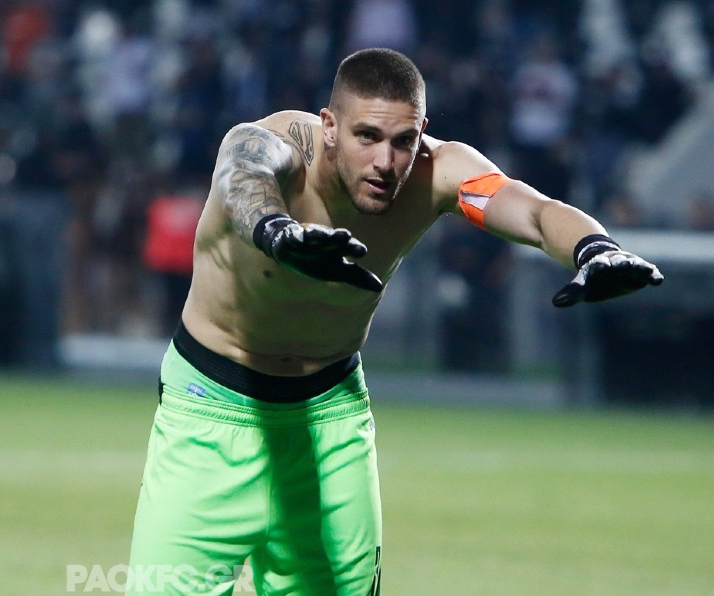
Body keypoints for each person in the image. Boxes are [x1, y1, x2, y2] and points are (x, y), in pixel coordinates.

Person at [127, 47, 663, 596]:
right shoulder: (275, 143)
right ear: (329, 126)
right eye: (367, 136)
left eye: (402, 141)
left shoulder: (438, 172)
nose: (385, 161)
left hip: (330, 421)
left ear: (421, 133)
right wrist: (276, 231)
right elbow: (240, 175)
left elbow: (535, 211)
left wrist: (594, 247)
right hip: (209, 410)